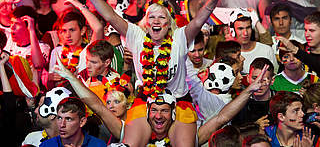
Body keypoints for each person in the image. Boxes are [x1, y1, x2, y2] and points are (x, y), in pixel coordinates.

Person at [70, 0, 228, 146]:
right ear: (146, 22)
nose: (156, 21)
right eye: (151, 17)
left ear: (168, 24)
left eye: (161, 17)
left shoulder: (179, 38)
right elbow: (110, 15)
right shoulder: (137, 35)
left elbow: (199, 20)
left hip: (179, 103)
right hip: (145, 102)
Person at [53, 47, 271, 146]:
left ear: (173, 114)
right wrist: (72, 78)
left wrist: (248, 90)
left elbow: (221, 117)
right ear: (147, 113)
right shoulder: (128, 131)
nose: (159, 116)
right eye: (155, 111)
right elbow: (98, 107)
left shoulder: (188, 137)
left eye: (164, 111)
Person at [48, 0, 104, 89]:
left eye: (72, 30)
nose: (67, 35)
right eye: (64, 31)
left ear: (82, 31)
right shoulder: (56, 52)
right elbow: (50, 86)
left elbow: (98, 28)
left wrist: (80, 7)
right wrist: (50, 78)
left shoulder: (88, 50)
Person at [39, 97, 107, 146]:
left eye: (68, 119)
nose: (62, 124)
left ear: (82, 122)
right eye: (59, 118)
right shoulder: (47, 145)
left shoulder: (98, 145)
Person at [229, 8, 277, 74]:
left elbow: (274, 77)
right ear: (233, 31)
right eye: (240, 29)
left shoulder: (266, 50)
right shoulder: (226, 53)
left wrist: (256, 22)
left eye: (248, 28)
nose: (245, 33)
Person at [232, 58, 274, 132]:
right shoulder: (239, 103)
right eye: (255, 78)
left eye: (264, 79)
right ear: (248, 78)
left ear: (272, 81)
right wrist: (254, 127)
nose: (259, 84)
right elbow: (233, 131)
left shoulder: (280, 101)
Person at [277, 11, 320, 76]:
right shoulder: (300, 49)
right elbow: (281, 78)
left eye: (312, 30)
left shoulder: (297, 51)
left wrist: (295, 50)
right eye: (305, 30)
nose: (307, 34)